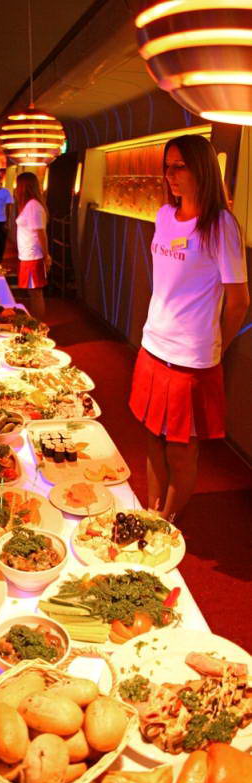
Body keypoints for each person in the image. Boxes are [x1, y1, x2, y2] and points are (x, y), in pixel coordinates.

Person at [129, 134, 250, 520]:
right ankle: (152, 512)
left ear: (202, 169)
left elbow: (239, 300)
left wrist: (215, 347)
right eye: (167, 166)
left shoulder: (220, 225)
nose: (171, 175)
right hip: (153, 343)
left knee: (181, 449)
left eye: (180, 166)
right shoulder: (164, 216)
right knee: (152, 439)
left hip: (190, 358)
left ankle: (167, 523)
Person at [15, 172, 51, 319]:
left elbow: (41, 234)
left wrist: (46, 256)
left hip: (33, 255)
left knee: (36, 293)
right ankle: (35, 322)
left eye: (18, 185)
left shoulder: (33, 206)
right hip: (28, 254)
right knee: (32, 293)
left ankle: (37, 324)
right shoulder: (30, 205)